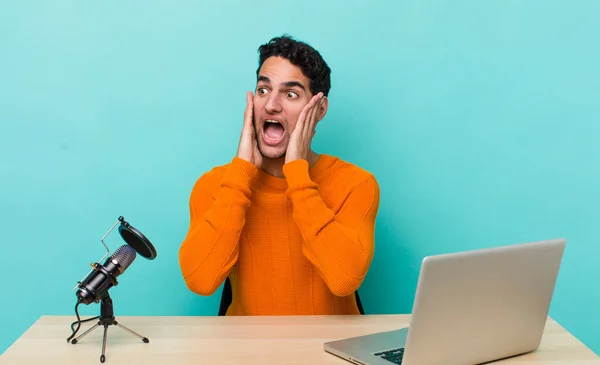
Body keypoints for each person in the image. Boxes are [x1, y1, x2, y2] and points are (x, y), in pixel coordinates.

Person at [178, 35, 380, 315]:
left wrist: (297, 174)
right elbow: (201, 280)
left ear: (319, 110)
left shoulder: (355, 184)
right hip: (247, 352)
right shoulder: (215, 185)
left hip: (328, 353)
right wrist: (241, 175)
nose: (271, 105)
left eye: (291, 94)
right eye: (263, 90)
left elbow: (344, 279)